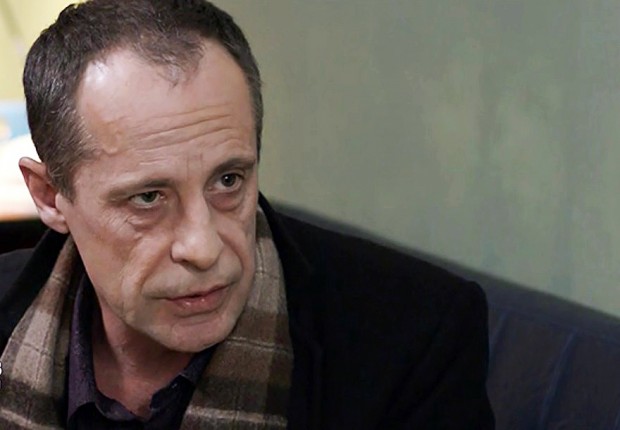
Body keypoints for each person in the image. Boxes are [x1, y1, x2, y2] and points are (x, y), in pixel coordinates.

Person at [0, 0, 495, 428]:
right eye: (148, 198)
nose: (203, 247)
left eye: (228, 181)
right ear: (50, 196)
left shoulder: (416, 339)